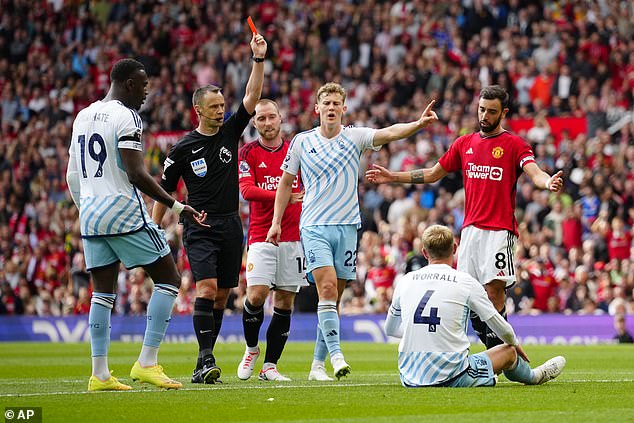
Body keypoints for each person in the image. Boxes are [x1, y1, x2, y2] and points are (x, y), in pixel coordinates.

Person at [367, 85, 564, 349]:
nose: (484, 115)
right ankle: (499, 353)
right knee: (468, 296)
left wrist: (547, 181)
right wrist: (393, 177)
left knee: (494, 290)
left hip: (499, 230)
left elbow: (534, 171)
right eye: (481, 109)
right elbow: (433, 173)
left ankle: (501, 353)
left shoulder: (515, 144)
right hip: (470, 231)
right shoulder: (464, 144)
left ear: (503, 113)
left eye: (491, 111)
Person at [266, 82, 438, 380]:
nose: (331, 108)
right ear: (316, 108)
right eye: (326, 103)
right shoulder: (301, 142)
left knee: (333, 299)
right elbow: (285, 182)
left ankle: (317, 366)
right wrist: (276, 221)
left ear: (344, 108)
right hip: (314, 226)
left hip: (347, 227)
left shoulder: (355, 137)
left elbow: (390, 132)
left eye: (336, 103)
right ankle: (336, 356)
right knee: (328, 290)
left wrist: (418, 124)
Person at [66, 58, 207, 391]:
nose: (146, 92)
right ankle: (146, 362)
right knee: (170, 278)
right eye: (143, 86)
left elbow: (73, 175)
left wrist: (85, 208)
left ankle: (99, 375)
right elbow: (136, 173)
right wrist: (175, 205)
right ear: (129, 83)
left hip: (91, 215)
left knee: (102, 293)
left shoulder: (82, 115)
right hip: (122, 211)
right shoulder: (126, 116)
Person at [152, 33, 267, 384]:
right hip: (199, 226)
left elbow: (251, 98)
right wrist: (156, 228)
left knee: (220, 297)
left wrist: (258, 60)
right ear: (198, 110)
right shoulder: (183, 148)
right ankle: (205, 358)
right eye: (214, 107)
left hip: (231, 225)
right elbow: (163, 190)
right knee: (205, 289)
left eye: (222, 106)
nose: (221, 111)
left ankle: (205, 361)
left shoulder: (231, 132)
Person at [384, 225, 566, 388]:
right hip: (451, 375)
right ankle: (534, 376)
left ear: (424, 252)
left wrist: (424, 332)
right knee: (508, 352)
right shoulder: (465, 282)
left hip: (409, 375)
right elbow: (496, 321)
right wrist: (513, 342)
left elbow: (390, 329)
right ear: (455, 249)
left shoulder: (405, 280)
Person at [236, 99, 306, 381]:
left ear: (280, 119)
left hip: (294, 236)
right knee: (256, 295)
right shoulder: (247, 153)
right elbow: (247, 190)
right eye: (261, 118)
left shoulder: (296, 150)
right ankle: (251, 349)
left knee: (285, 301)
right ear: (254, 122)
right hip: (261, 234)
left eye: (271, 117)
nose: (267, 123)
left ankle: (270, 366)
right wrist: (284, 195)